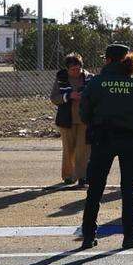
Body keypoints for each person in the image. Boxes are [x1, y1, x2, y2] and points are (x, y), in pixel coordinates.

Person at [79, 45, 133, 249]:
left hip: (102, 139)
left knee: (95, 189)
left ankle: (88, 236)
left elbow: (84, 113)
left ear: (107, 60)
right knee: (129, 189)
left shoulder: (96, 82)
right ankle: (130, 236)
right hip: (131, 140)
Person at [50, 52, 93, 187]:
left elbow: (96, 96)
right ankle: (68, 175)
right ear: (67, 69)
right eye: (73, 69)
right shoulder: (61, 79)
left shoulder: (90, 78)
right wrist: (69, 96)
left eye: (78, 69)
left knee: (84, 149)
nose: (76, 72)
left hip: (84, 119)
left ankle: (82, 176)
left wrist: (85, 96)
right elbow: (54, 98)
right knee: (68, 149)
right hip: (66, 119)